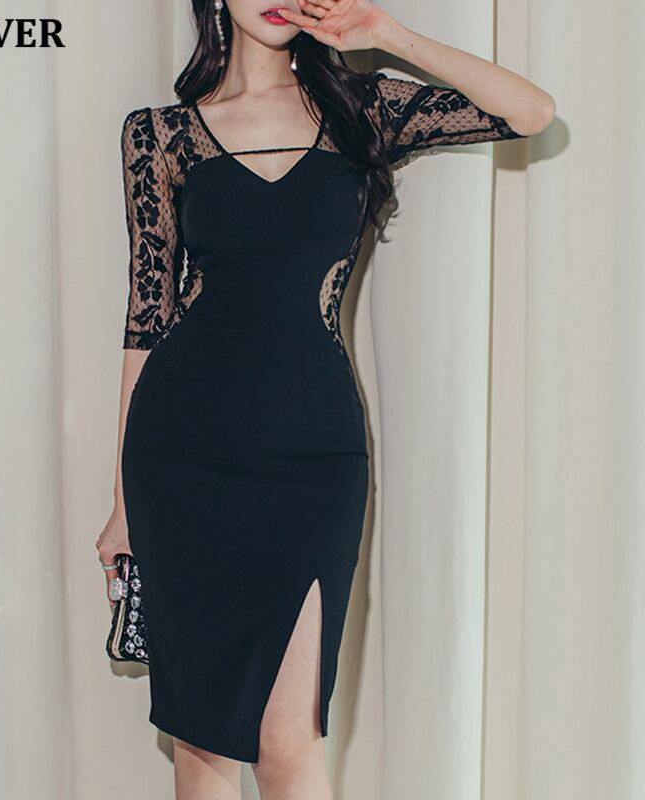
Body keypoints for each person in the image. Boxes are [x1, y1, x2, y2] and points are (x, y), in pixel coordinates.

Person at [96, 1, 555, 797]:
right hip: (180, 458)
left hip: (313, 459)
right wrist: (123, 502)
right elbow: (146, 319)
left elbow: (531, 112)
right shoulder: (159, 135)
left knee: (290, 746)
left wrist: (385, 37)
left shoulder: (362, 113)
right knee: (203, 749)